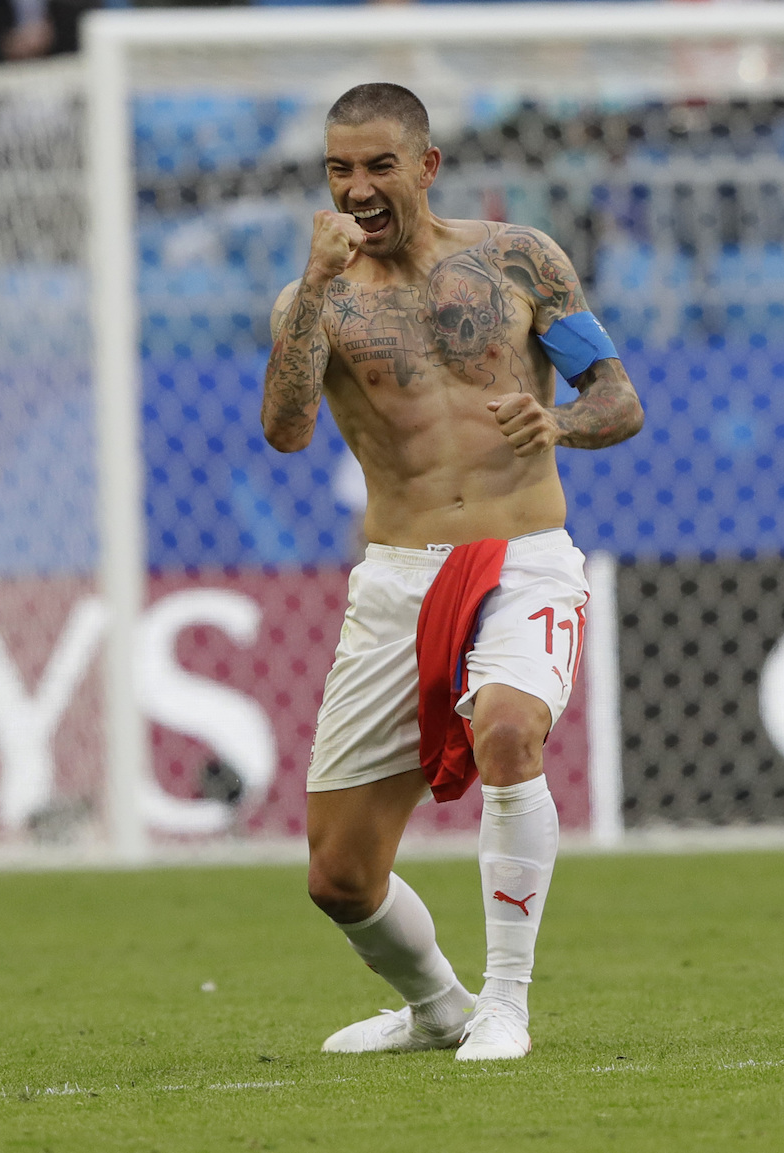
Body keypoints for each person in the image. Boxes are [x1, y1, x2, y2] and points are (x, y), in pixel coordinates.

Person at [263, 83, 643, 1061]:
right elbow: (286, 430)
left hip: (522, 558)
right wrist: (308, 292)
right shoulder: (319, 299)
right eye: (338, 169)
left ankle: (508, 1004)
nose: (356, 188)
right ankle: (441, 1007)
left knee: (509, 730)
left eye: (377, 165)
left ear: (425, 166)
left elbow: (617, 399)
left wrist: (558, 420)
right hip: (398, 575)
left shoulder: (523, 260)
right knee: (339, 876)